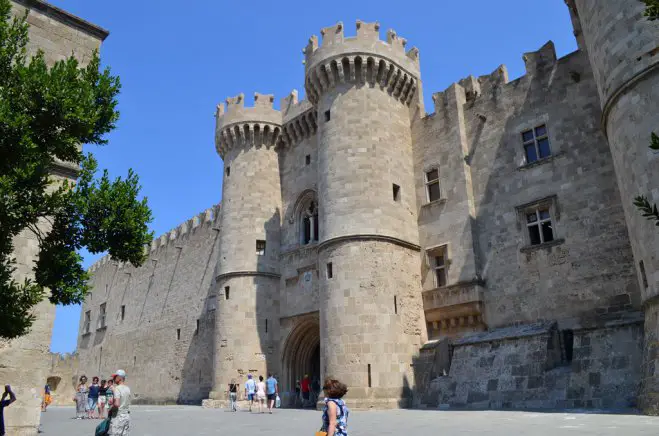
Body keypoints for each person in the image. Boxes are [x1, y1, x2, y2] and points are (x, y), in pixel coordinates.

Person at [108, 370, 131, 435]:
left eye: (115, 377)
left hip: (118, 417)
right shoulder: (127, 388)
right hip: (126, 416)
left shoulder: (117, 389)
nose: (113, 379)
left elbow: (117, 404)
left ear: (119, 378)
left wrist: (111, 409)